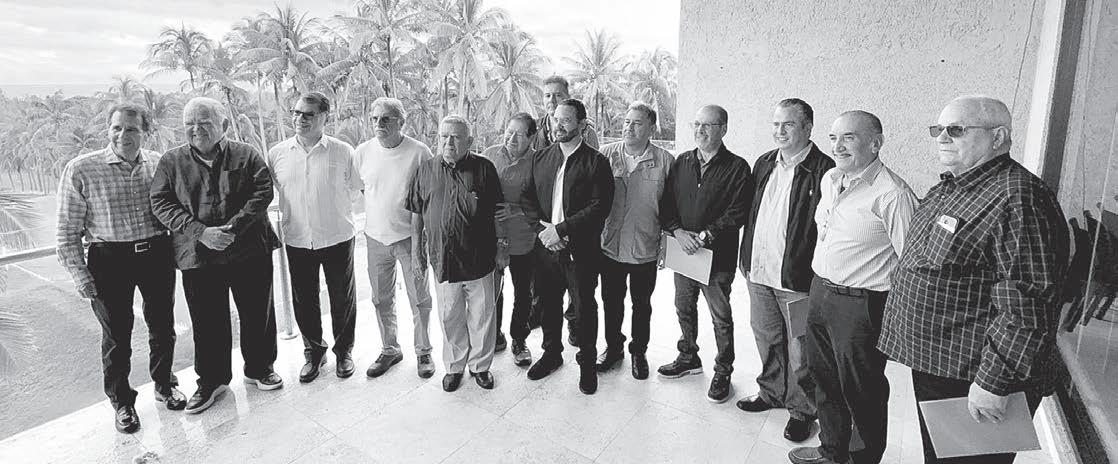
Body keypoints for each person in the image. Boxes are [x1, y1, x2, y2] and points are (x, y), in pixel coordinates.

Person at [878, 95, 1070, 464]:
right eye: (938, 129)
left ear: (998, 137)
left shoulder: (1018, 197)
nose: (942, 138)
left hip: (976, 376)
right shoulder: (955, 186)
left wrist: (994, 381)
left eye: (956, 129)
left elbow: (1028, 300)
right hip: (943, 364)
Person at [788, 111, 917, 464]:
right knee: (823, 379)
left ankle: (863, 459)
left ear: (875, 143)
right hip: (821, 292)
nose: (838, 146)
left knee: (862, 390)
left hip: (862, 305)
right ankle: (832, 451)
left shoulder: (893, 194)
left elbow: (911, 262)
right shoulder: (831, 179)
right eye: (833, 137)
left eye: (849, 137)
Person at [56, 104, 185, 433]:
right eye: (116, 128)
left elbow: (174, 208)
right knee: (117, 336)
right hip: (109, 259)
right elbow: (67, 231)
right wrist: (80, 274)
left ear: (145, 132)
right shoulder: (81, 168)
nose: (122, 135)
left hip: (156, 254)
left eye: (131, 129)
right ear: (108, 129)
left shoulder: (159, 163)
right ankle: (122, 402)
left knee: (163, 327)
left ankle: (165, 385)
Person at [150, 97, 282, 415]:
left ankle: (260, 368)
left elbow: (263, 190)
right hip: (198, 256)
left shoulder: (246, 154)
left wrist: (231, 229)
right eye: (190, 124)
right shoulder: (171, 161)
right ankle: (212, 381)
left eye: (204, 122)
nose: (196, 129)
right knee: (207, 322)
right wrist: (202, 232)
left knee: (257, 313)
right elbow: (160, 202)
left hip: (249, 249)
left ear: (223, 125)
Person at [736, 98, 834, 442]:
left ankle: (803, 410)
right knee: (767, 338)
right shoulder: (764, 162)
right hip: (758, 271)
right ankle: (771, 392)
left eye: (788, 124)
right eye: (776, 124)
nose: (780, 131)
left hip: (797, 279)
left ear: (808, 128)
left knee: (800, 350)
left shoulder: (825, 170)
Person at [657, 104, 753, 404]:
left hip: (717, 258)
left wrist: (705, 235)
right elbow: (667, 202)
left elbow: (738, 211)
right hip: (684, 252)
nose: (700, 130)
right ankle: (688, 357)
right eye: (696, 124)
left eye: (708, 125)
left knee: (720, 317)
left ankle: (723, 370)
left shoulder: (738, 167)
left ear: (723, 129)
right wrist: (677, 232)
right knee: (683, 307)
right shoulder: (682, 162)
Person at [266, 92, 362, 383]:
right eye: (296, 112)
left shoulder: (343, 151)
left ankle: (344, 352)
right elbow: (276, 191)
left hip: (337, 236)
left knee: (342, 298)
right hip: (297, 238)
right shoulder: (277, 154)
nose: (300, 119)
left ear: (324, 117)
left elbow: (354, 190)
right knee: (304, 300)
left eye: (308, 114)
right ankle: (314, 353)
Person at [523, 98, 614, 395]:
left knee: (584, 309)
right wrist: (544, 232)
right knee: (548, 303)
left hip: (581, 251)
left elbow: (600, 206)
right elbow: (527, 199)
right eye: (555, 119)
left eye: (565, 120)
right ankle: (551, 354)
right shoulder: (540, 158)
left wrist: (561, 231)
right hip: (545, 249)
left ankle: (587, 365)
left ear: (582, 125)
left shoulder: (596, 162)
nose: (557, 125)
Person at [406, 115, 504, 392]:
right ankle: (454, 366)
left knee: (482, 315)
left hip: (480, 258)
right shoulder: (425, 170)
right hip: (443, 258)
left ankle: (480, 366)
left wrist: (502, 248)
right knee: (449, 315)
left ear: (469, 141)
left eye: (456, 137)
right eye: (443, 136)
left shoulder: (484, 168)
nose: (448, 142)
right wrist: (416, 252)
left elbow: (498, 213)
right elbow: (417, 214)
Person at [353, 97, 436, 379]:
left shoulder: (419, 152)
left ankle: (423, 351)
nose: (379, 124)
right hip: (375, 239)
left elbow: (427, 198)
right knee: (380, 299)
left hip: (410, 239)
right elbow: (366, 190)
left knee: (419, 298)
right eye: (375, 119)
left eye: (386, 119)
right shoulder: (362, 152)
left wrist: (420, 244)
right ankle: (390, 349)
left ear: (401, 122)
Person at [596, 102, 673, 380]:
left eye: (637, 123)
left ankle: (639, 352)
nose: (629, 127)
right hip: (610, 245)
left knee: (642, 304)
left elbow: (672, 207)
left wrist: (668, 244)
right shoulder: (605, 155)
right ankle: (613, 348)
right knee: (611, 301)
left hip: (645, 247)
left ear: (651, 128)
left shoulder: (665, 161)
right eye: (627, 121)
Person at [529, 75, 599, 340]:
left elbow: (591, 185)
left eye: (558, 95)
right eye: (547, 95)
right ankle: (547, 335)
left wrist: (563, 230)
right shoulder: (536, 130)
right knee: (546, 289)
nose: (551, 100)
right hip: (544, 230)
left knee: (580, 293)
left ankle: (575, 323)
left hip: (575, 230)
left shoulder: (586, 134)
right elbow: (531, 186)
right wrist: (546, 230)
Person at [481, 113, 540, 367]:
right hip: (490, 238)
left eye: (519, 134)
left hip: (523, 239)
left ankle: (519, 339)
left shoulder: (539, 162)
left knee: (523, 292)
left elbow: (547, 203)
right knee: (492, 292)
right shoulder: (490, 154)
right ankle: (495, 336)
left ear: (532, 137)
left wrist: (516, 210)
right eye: (509, 131)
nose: (511, 138)